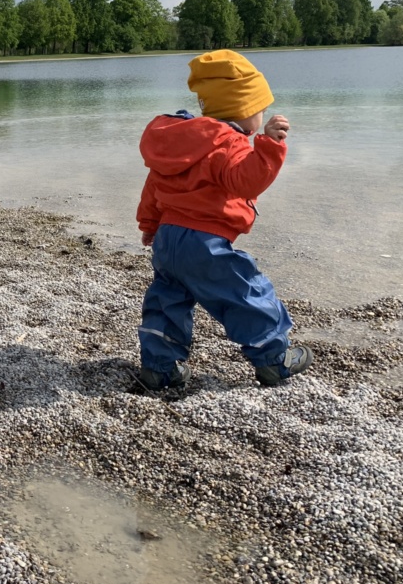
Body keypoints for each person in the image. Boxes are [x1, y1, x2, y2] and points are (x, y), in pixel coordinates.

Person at [134, 49, 313, 390]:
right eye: (259, 110)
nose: (260, 117)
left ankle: (159, 369)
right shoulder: (227, 143)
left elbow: (154, 186)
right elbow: (245, 180)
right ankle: (274, 359)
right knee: (245, 292)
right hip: (205, 243)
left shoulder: (182, 142)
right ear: (244, 109)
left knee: (166, 300)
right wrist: (269, 146)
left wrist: (149, 226)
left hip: (168, 239)